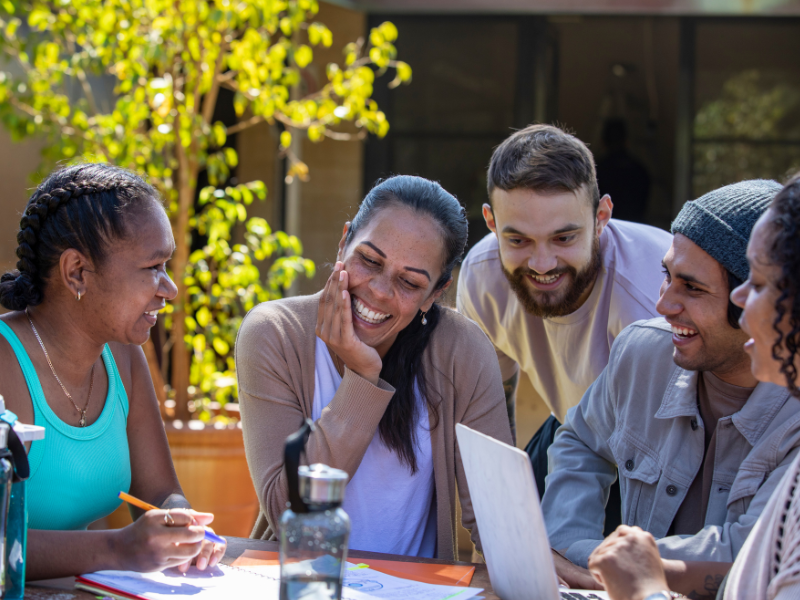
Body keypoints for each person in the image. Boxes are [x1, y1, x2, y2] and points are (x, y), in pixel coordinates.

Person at [236, 175, 512, 559]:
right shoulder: (275, 334)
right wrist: (363, 378)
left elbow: (500, 523)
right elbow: (288, 507)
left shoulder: (462, 351)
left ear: (435, 293)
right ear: (344, 240)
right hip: (306, 586)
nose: (380, 291)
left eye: (410, 282)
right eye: (369, 260)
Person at [542, 179, 798, 593]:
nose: (663, 304)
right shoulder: (643, 351)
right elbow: (581, 442)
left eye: (692, 287)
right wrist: (570, 547)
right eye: (667, 275)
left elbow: (753, 550)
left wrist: (627, 571)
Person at [0, 164, 226, 579]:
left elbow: (159, 491)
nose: (169, 289)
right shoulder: (3, 363)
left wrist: (182, 522)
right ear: (77, 272)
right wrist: (118, 548)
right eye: (151, 268)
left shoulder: (121, 356)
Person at [457, 123, 671, 535]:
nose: (541, 263)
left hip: (656, 452)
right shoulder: (483, 276)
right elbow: (490, 403)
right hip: (570, 424)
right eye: (518, 239)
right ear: (490, 220)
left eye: (564, 237)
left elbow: (677, 453)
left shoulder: (651, 300)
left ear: (602, 216)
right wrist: (502, 516)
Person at [595, 118, 651, 224]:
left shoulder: (597, 171)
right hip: (635, 226)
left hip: (606, 227)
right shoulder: (640, 170)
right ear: (627, 141)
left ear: (602, 142)